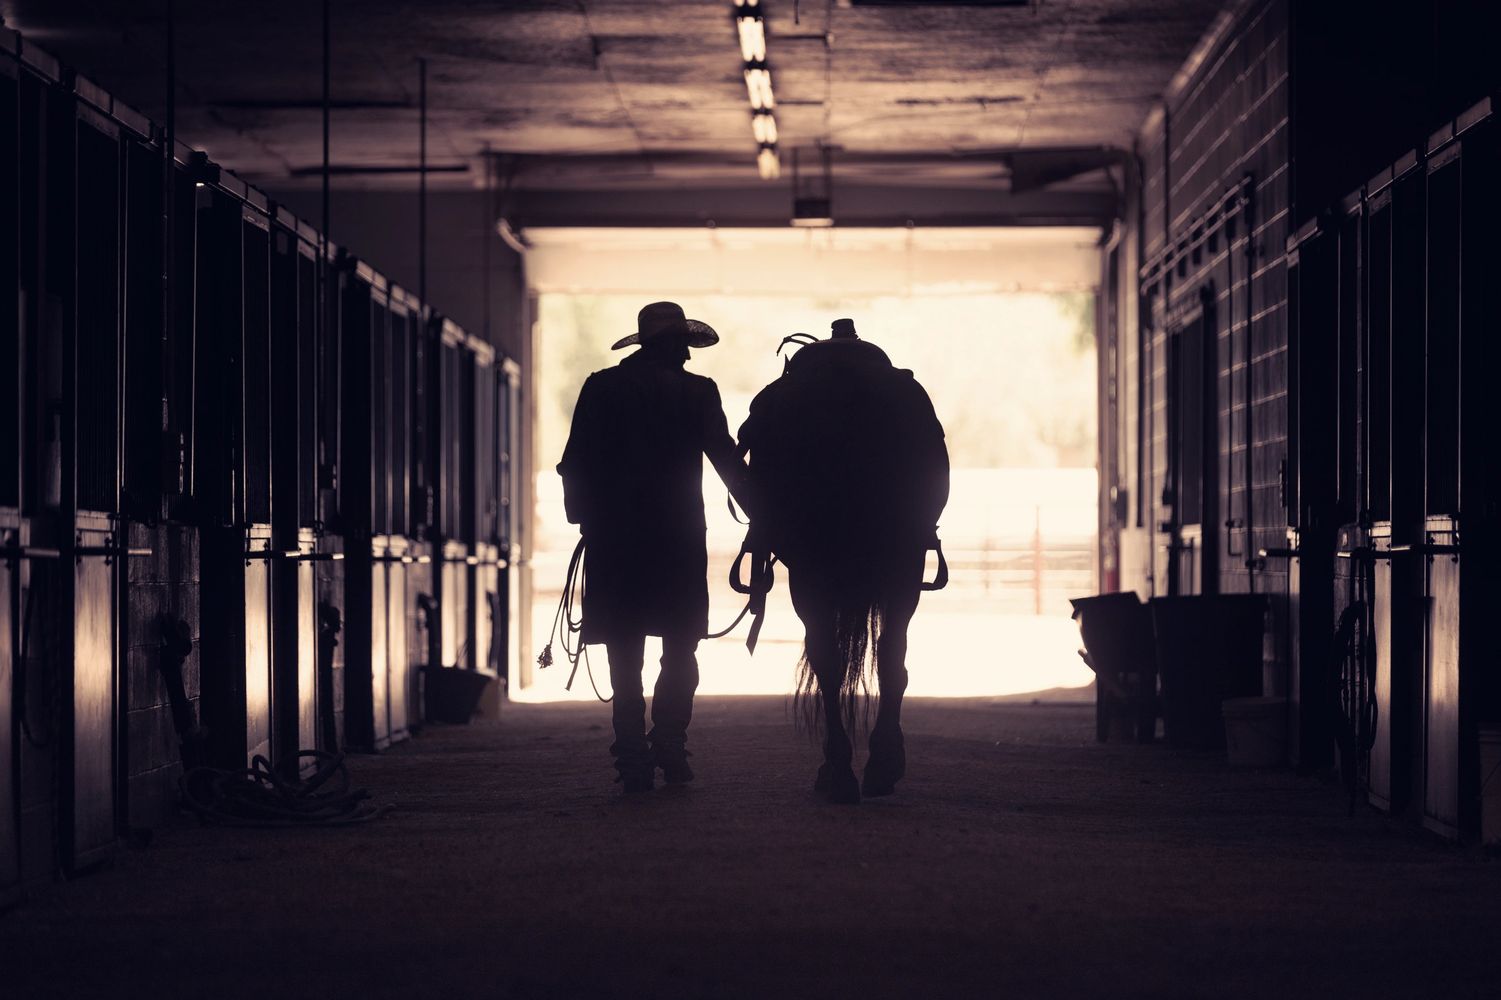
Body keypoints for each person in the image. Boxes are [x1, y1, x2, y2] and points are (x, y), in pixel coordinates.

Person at [557, 301, 753, 793]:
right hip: (679, 540)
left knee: (624, 651)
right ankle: (668, 740)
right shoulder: (697, 393)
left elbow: (574, 462)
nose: (688, 356)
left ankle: (631, 757)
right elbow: (726, 459)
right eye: (684, 346)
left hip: (615, 539)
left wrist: (584, 517)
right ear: (675, 346)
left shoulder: (601, 388)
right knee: (681, 647)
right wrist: (766, 514)